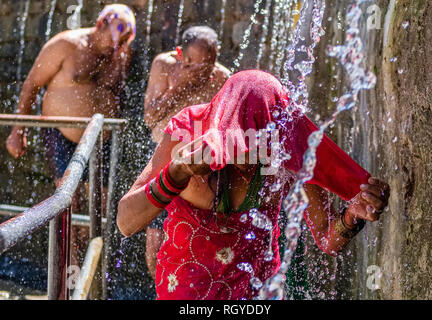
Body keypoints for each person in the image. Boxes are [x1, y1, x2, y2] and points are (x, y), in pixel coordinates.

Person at [117, 70, 390, 300]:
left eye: (264, 145)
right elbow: (126, 222)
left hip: (257, 292)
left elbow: (327, 238)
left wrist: (352, 216)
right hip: (187, 291)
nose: (255, 156)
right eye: (245, 145)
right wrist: (174, 175)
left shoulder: (289, 148)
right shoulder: (187, 133)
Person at [5, 4, 136, 265]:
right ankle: (71, 271)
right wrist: (18, 131)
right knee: (70, 204)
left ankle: (92, 272)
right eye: (114, 39)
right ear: (100, 24)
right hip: (62, 135)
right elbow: (31, 85)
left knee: (99, 208)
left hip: (102, 139)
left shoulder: (120, 52)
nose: (116, 47)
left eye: (123, 41)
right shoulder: (65, 44)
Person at [143, 25, 230, 283]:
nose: (203, 74)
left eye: (208, 66)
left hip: (203, 168)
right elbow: (149, 118)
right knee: (156, 244)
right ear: (181, 54)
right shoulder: (164, 66)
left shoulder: (223, 77)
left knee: (202, 244)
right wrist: (178, 88)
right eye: (195, 66)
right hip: (165, 158)